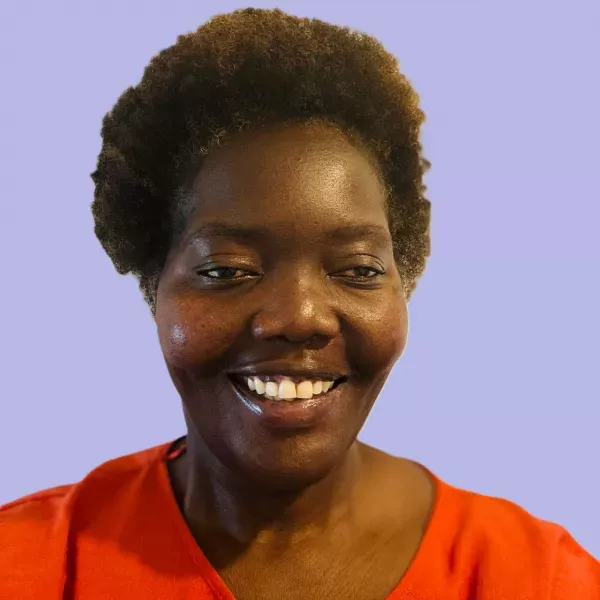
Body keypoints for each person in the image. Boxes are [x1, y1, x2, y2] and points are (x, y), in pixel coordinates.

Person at [1, 7, 598, 600]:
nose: (300, 317)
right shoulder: (28, 563)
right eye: (227, 270)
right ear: (155, 283)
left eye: (358, 270)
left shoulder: (536, 579)